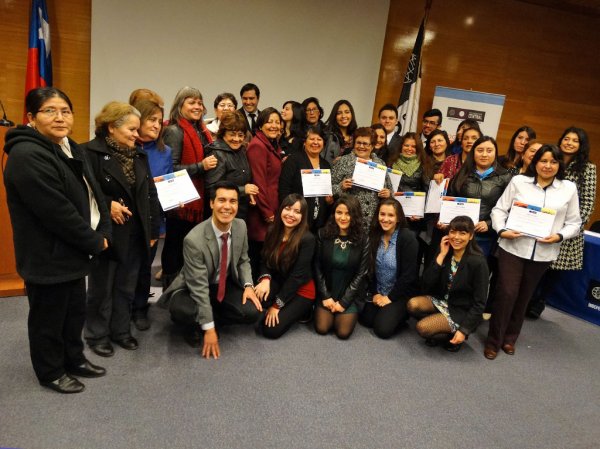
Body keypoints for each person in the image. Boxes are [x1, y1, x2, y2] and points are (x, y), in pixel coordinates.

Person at [3, 87, 111, 394]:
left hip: (75, 250)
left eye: (65, 110)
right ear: (31, 118)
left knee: (74, 311)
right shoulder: (26, 155)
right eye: (50, 111)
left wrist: (103, 231)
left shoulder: (69, 146)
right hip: (47, 255)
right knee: (48, 318)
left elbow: (94, 194)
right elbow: (57, 213)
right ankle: (50, 371)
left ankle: (73, 359)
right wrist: (94, 241)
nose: (60, 117)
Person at [485, 145, 581, 359]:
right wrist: (502, 230)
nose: (548, 166)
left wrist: (559, 236)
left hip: (544, 252)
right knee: (507, 292)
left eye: (553, 162)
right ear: (535, 162)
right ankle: (494, 340)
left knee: (524, 296)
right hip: (512, 247)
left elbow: (575, 222)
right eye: (543, 161)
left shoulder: (568, 188)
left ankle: (510, 338)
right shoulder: (519, 182)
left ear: (559, 165)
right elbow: (499, 210)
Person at [83, 101, 160, 356]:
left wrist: (152, 228)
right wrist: (108, 204)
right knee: (102, 287)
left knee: (126, 286)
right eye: (131, 129)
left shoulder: (139, 155)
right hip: (108, 233)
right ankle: (97, 335)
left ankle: (120, 330)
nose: (137, 135)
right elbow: (82, 194)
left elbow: (149, 193)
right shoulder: (88, 154)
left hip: (136, 232)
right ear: (111, 128)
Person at [158, 182, 262, 358]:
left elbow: (244, 260)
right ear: (212, 204)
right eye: (221, 200)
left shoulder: (241, 226)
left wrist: (248, 285)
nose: (227, 206)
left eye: (233, 201)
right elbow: (198, 287)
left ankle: (210, 315)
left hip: (222, 285)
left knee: (252, 311)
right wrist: (210, 329)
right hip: (192, 287)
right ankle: (199, 323)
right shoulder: (194, 240)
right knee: (183, 311)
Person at [527, 127, 597, 318]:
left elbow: (588, 203)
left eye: (575, 140)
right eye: (566, 138)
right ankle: (527, 299)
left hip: (567, 232)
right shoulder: (552, 161)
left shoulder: (588, 168)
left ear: (581, 145)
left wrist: (570, 229)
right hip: (543, 224)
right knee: (537, 267)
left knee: (554, 271)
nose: (569, 143)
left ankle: (539, 302)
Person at [161, 87, 217, 288]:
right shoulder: (174, 131)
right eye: (192, 102)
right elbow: (171, 169)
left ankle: (184, 291)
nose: (197, 106)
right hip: (181, 203)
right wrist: (201, 166)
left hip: (198, 199)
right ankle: (169, 293)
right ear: (180, 105)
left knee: (190, 248)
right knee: (175, 247)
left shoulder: (201, 130)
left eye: (200, 102)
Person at [408, 216, 489, 352]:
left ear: (470, 236)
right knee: (412, 304)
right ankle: (441, 326)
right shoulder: (445, 251)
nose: (456, 237)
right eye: (452, 232)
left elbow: (480, 303)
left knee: (423, 328)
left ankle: (453, 333)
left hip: (460, 310)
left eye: (462, 233)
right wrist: (440, 256)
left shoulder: (478, 262)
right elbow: (426, 285)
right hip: (442, 300)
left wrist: (464, 330)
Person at [130, 99, 173, 331]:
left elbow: (167, 182)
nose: (157, 125)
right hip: (127, 218)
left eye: (159, 121)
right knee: (127, 265)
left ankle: (139, 308)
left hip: (153, 218)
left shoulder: (165, 151)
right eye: (152, 120)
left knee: (145, 265)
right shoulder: (127, 145)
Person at [255, 194, 316, 339]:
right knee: (258, 298)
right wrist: (265, 279)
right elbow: (264, 260)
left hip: (302, 290)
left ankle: (304, 310)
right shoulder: (272, 231)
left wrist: (276, 306)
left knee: (270, 331)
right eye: (288, 209)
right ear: (281, 209)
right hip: (281, 281)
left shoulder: (308, 239)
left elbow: (297, 277)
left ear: (303, 216)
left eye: (297, 211)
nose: (291, 214)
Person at [359, 198, 419, 338]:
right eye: (382, 214)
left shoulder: (407, 238)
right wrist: (375, 293)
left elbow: (409, 275)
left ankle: (401, 315)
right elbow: (371, 269)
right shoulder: (374, 235)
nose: (385, 219)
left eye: (391, 215)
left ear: (398, 218)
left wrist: (390, 298)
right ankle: (388, 313)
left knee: (382, 330)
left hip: (399, 294)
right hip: (380, 292)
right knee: (365, 319)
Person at [313, 195, 369, 339]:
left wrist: (344, 302)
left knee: (343, 333)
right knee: (322, 328)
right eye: (339, 212)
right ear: (334, 214)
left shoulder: (363, 239)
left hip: (349, 294)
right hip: (328, 291)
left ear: (355, 215)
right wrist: (325, 296)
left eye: (348, 213)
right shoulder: (322, 234)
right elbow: (317, 266)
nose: (343, 217)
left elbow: (361, 274)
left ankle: (346, 307)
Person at [448, 136, 512, 256]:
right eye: (480, 150)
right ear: (473, 153)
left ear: (495, 153)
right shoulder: (462, 173)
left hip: (486, 238)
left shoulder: (505, 177)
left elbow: (510, 209)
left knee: (477, 271)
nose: (484, 154)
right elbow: (450, 198)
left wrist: (489, 223)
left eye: (489, 150)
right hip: (460, 235)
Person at [246, 107, 284, 278]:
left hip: (271, 207)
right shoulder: (258, 146)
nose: (274, 125)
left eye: (277, 122)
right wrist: (268, 214)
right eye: (269, 121)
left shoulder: (271, 145)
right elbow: (258, 182)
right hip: (261, 212)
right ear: (260, 125)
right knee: (258, 257)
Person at [332, 127, 392, 231]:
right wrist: (341, 187)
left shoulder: (380, 164)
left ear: (372, 146)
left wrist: (388, 194)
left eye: (365, 144)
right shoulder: (343, 161)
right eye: (358, 143)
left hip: (372, 222)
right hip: (347, 220)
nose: (361, 146)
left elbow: (390, 191)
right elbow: (328, 189)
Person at [279, 125, 332, 233]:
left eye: (319, 139)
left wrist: (329, 200)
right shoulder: (293, 160)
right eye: (312, 139)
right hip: (295, 220)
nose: (315, 142)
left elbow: (326, 193)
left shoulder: (325, 165)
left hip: (318, 223)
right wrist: (290, 213)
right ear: (304, 142)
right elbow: (284, 190)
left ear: (324, 143)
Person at [204, 111, 257, 220]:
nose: (237, 139)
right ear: (223, 133)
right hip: (222, 215)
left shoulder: (241, 150)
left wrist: (248, 194)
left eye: (240, 135)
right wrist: (243, 190)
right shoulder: (216, 153)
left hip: (239, 213)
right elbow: (212, 189)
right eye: (232, 134)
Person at [323, 99, 358, 164]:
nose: (343, 116)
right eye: (339, 113)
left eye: (347, 112)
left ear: (352, 114)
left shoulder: (357, 135)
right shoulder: (328, 136)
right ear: (334, 116)